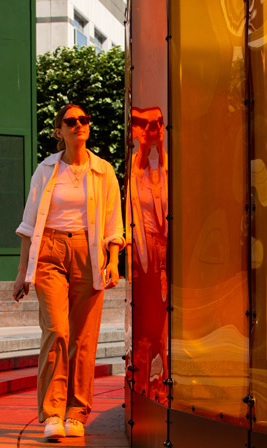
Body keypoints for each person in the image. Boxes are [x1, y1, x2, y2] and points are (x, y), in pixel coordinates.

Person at [12, 104, 124, 439]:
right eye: (71, 121)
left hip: (89, 253)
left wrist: (113, 259)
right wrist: (22, 272)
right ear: (59, 131)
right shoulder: (45, 169)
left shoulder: (103, 171)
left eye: (84, 120)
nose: (79, 125)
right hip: (49, 252)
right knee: (57, 330)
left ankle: (76, 414)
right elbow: (29, 224)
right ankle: (51, 414)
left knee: (84, 337)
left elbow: (113, 220)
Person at [126, 106, 169, 403]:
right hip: (144, 252)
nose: (152, 130)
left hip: (168, 250)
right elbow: (131, 214)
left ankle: (165, 376)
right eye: (145, 124)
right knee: (149, 317)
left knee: (167, 316)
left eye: (157, 124)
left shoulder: (169, 166)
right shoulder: (134, 170)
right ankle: (146, 380)